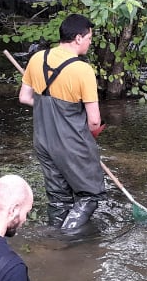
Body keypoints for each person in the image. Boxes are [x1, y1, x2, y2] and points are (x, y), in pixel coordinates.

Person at [18, 14, 106, 230]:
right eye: (89, 38)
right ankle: (68, 237)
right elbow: (94, 121)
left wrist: (51, 110)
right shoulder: (83, 70)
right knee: (90, 195)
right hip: (72, 143)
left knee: (58, 197)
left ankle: (55, 240)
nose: (90, 42)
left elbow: (24, 97)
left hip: (43, 141)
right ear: (78, 38)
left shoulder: (37, 58)